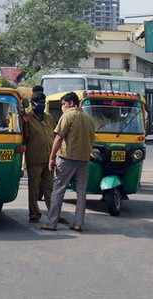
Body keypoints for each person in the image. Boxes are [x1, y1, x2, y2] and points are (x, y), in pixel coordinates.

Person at [41, 92, 95, 232]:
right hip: (83, 160)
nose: (62, 108)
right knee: (81, 193)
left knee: (58, 190)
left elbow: (58, 138)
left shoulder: (67, 116)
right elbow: (92, 140)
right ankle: (78, 223)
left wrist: (51, 157)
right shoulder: (88, 119)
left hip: (66, 158)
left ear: (71, 103)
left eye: (63, 104)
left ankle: (52, 223)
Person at [23, 91, 56, 223]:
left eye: (43, 102)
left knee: (49, 188)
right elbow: (24, 138)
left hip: (48, 158)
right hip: (34, 159)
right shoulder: (27, 119)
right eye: (39, 102)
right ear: (32, 104)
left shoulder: (49, 118)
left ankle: (53, 213)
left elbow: (53, 135)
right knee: (34, 189)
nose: (42, 105)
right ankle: (34, 213)